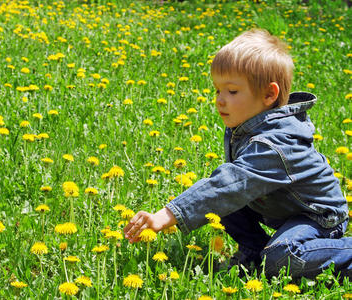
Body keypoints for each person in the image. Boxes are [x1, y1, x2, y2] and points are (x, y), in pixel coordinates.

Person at [124, 29, 351, 279]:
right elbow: (226, 189)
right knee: (221, 201)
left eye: (231, 92)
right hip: (281, 207)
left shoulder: (275, 143)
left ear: (268, 95)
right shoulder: (247, 125)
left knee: (282, 257)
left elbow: (231, 183)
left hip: (318, 217)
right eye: (217, 91)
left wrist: (168, 214)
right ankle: (253, 251)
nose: (220, 100)